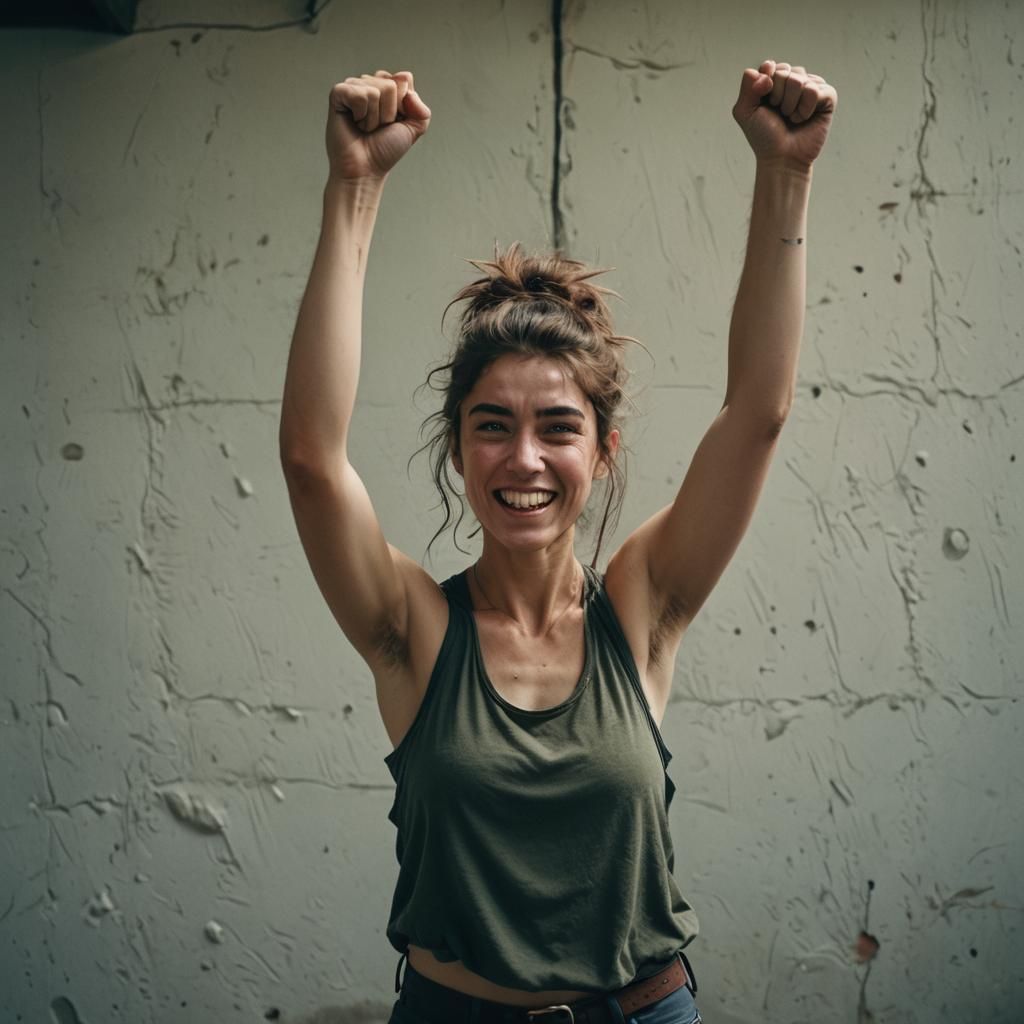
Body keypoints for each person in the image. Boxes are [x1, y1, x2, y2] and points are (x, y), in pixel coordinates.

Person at [279, 60, 837, 1024]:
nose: (524, 457)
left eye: (559, 427)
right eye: (492, 424)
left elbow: (758, 413)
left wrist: (785, 174)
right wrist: (355, 187)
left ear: (604, 450)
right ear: (458, 448)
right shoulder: (412, 628)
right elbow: (310, 460)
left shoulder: (642, 604)